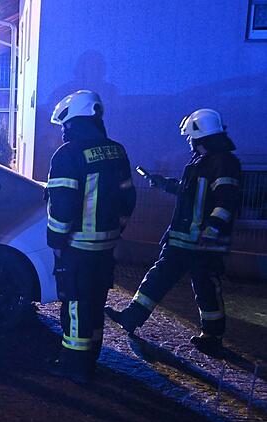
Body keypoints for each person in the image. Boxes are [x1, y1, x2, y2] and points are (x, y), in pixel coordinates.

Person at [105, 109, 243, 355]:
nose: (189, 142)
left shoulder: (223, 163)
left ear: (200, 134)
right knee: (167, 279)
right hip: (187, 240)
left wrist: (211, 230)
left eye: (191, 137)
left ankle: (211, 336)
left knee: (203, 286)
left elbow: (226, 202)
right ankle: (133, 318)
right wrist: (163, 183)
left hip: (201, 241)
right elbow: (189, 193)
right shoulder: (204, 162)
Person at [45, 90, 137, 383]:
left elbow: (63, 205)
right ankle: (90, 360)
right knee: (95, 305)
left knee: (74, 307)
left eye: (64, 125)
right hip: (106, 245)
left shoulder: (68, 155)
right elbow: (128, 198)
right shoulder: (117, 150)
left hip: (78, 247)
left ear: (72, 123)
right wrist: (116, 230)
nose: (62, 132)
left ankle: (74, 367)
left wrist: (56, 242)